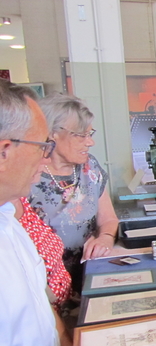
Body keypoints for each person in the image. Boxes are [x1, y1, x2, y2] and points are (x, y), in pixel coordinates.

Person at [0, 80, 108, 346]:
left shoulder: (9, 219)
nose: (44, 155)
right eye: (41, 144)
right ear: (4, 150)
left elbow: (41, 308)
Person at [29, 93, 119, 292]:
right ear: (52, 133)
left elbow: (108, 219)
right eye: (81, 136)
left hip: (88, 277)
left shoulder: (90, 168)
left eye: (90, 134)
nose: (90, 142)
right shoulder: (28, 175)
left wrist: (105, 237)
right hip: (43, 288)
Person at [11, 197, 72, 312]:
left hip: (68, 304)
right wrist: (63, 329)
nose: (35, 178)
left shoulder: (20, 200)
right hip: (49, 318)